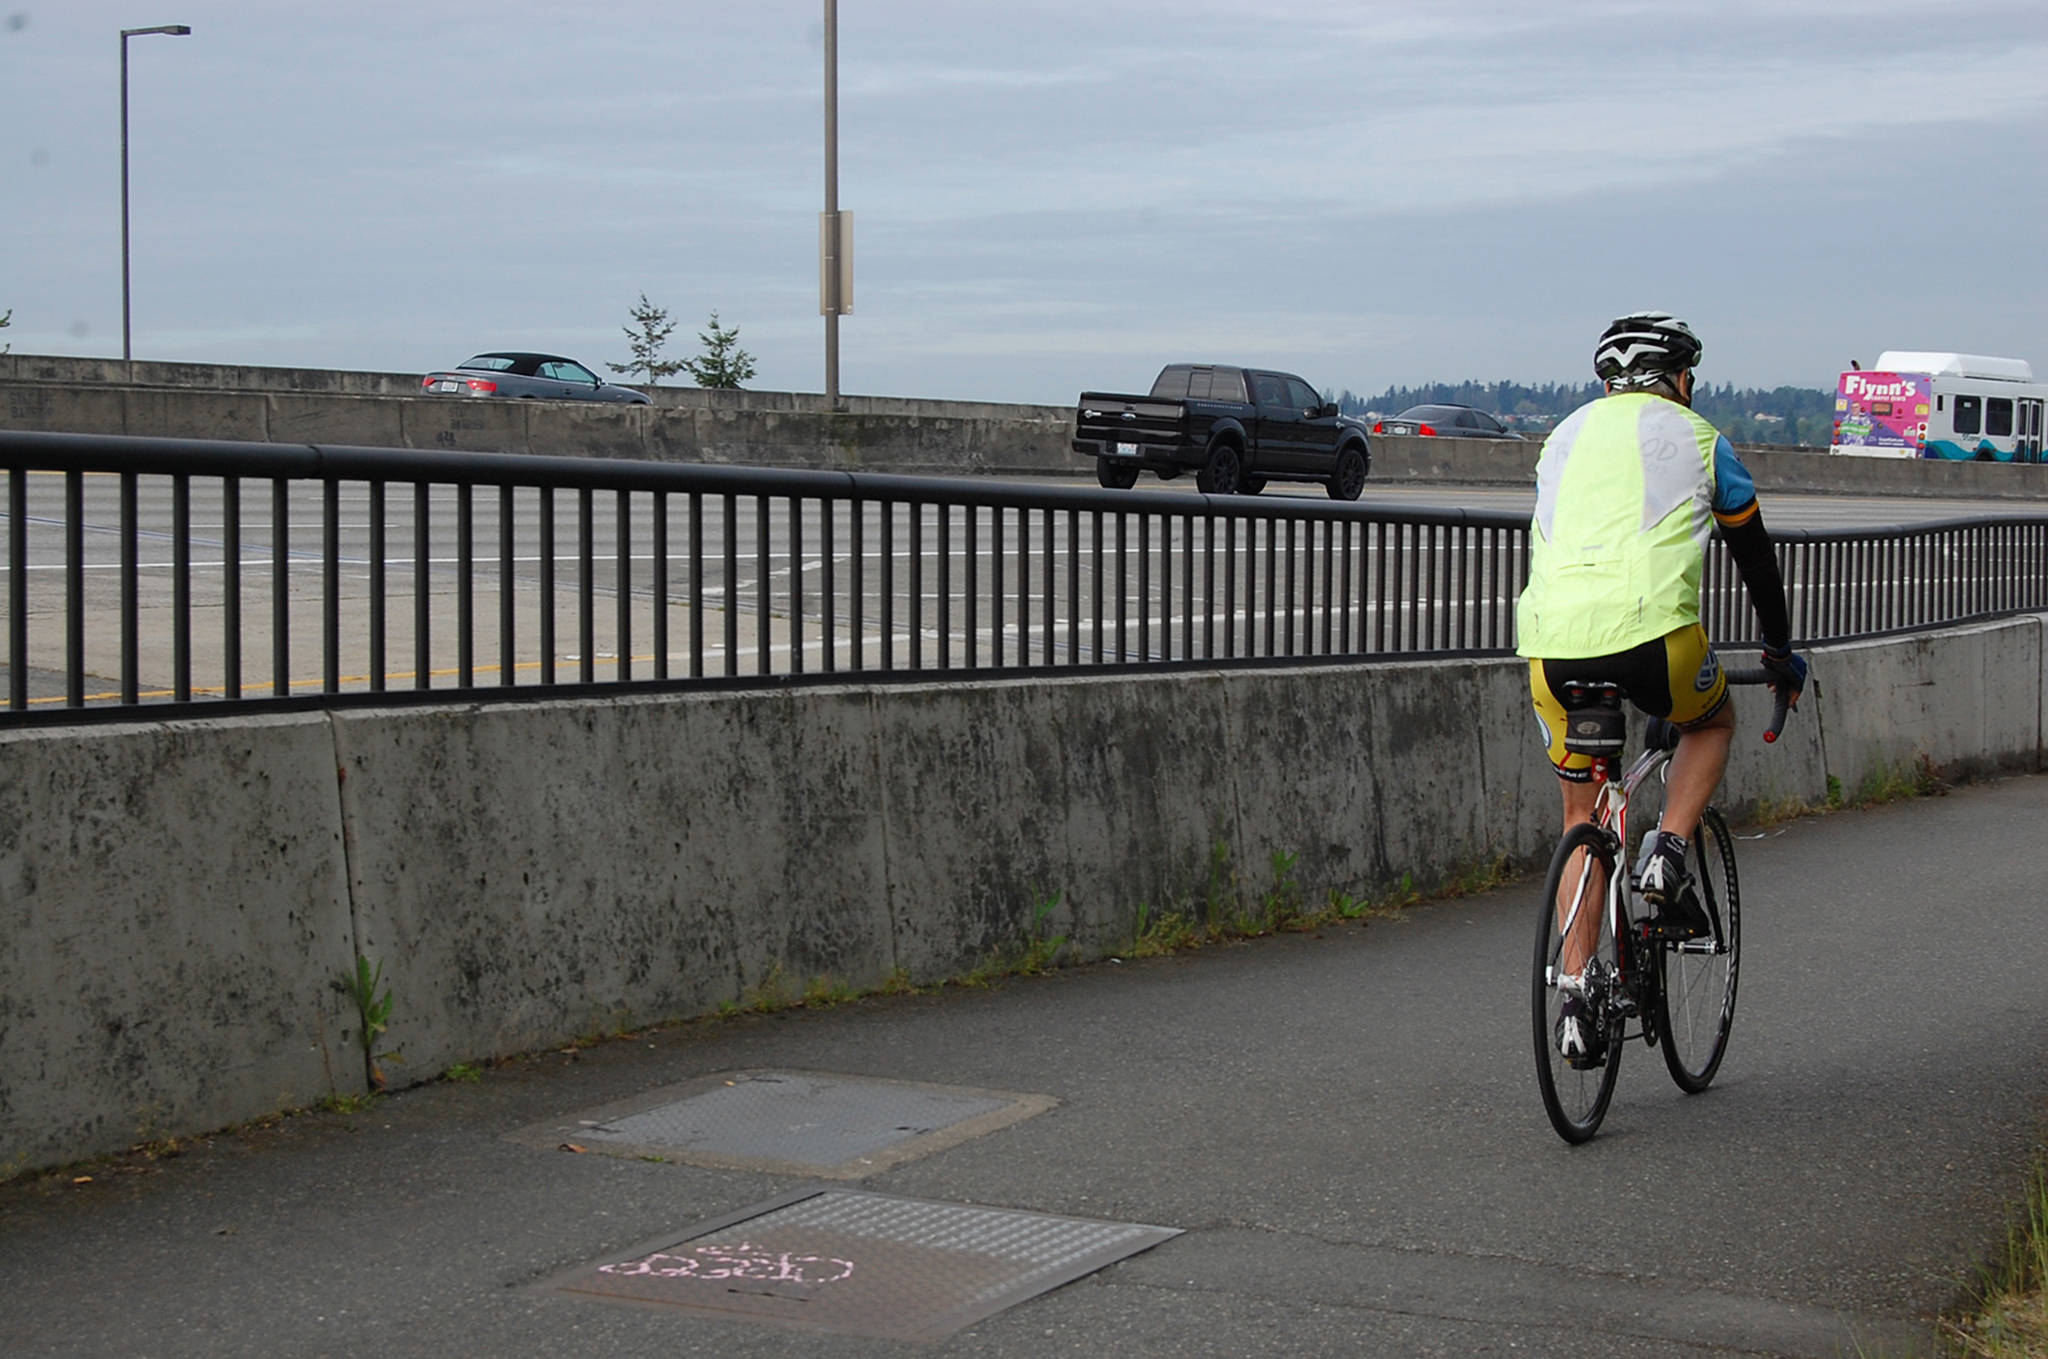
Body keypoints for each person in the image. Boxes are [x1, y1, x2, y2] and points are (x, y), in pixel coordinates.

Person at [1517, 311, 1808, 1067]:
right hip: (1656, 641)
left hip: (1550, 648)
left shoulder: (1562, 438)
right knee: (1711, 723)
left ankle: (1577, 997)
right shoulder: (1703, 438)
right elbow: (1754, 559)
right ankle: (1669, 849)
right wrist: (1779, 651)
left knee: (1582, 814)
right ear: (1679, 377)